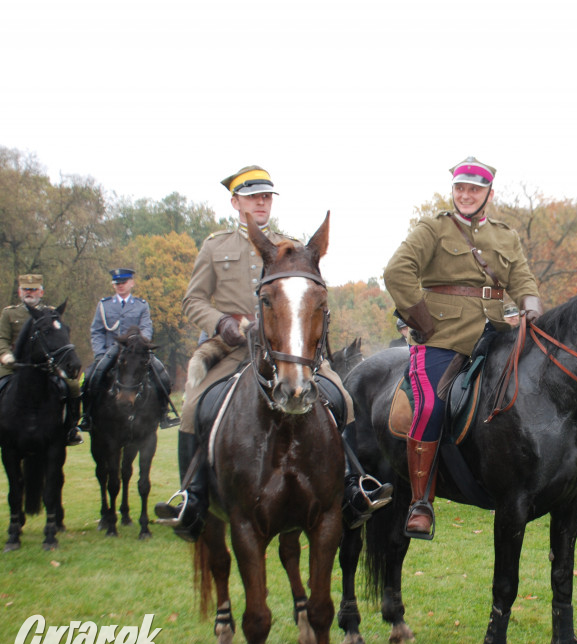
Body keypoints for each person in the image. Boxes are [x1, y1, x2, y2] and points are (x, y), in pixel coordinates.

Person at [155, 165, 391, 541]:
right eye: (252, 197)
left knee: (341, 396)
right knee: (191, 404)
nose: (260, 203)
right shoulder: (216, 246)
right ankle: (192, 496)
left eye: (265, 197)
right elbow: (193, 300)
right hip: (233, 350)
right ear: (235, 202)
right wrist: (221, 323)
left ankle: (352, 485)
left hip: (286, 352)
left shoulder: (291, 246)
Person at [383, 156, 543, 540]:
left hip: (499, 331)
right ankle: (420, 501)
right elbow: (396, 271)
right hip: (444, 336)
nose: (466, 195)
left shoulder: (505, 236)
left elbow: (521, 276)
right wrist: (422, 320)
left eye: (474, 189)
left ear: (488, 193)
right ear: (453, 190)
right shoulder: (433, 228)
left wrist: (532, 306)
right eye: (460, 188)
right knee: (431, 403)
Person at [78, 268, 178, 432]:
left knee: (162, 375)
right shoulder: (104, 305)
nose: (120, 286)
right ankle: (87, 416)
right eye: (117, 283)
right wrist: (99, 354)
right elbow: (97, 331)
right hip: (112, 351)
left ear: (131, 283)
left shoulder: (141, 305)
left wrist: (141, 344)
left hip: (137, 352)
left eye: (123, 283)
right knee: (90, 377)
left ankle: (163, 414)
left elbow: (146, 328)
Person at [0, 274, 83, 445]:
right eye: (25, 290)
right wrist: (5, 355)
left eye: (33, 289)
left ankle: (71, 428)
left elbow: (60, 338)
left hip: (45, 367)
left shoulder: (51, 313)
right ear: (19, 292)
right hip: (13, 365)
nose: (29, 293)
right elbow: (2, 338)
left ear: (41, 292)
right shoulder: (9, 313)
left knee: (73, 386)